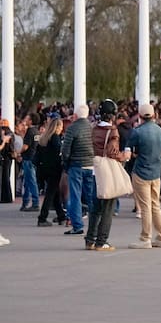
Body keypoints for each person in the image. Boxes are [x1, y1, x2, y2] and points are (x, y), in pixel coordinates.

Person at [126, 103, 161, 248]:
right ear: (154, 115)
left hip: (141, 171)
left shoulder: (137, 132)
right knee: (155, 205)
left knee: (144, 207)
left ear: (140, 116)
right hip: (156, 172)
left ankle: (145, 238)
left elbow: (128, 151)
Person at [85, 99, 124, 251]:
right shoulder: (112, 131)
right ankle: (102, 241)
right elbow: (112, 152)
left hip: (95, 168)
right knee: (108, 207)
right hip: (107, 170)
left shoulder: (93, 128)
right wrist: (124, 156)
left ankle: (90, 239)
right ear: (112, 115)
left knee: (95, 207)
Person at [61, 104, 95, 236]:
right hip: (91, 165)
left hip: (76, 165)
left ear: (75, 115)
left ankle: (77, 225)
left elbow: (65, 150)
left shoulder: (72, 128)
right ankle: (94, 224)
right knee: (91, 196)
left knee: (75, 196)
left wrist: (66, 163)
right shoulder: (92, 128)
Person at [36, 116, 67, 227]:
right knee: (50, 194)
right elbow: (60, 151)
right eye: (61, 126)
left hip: (45, 169)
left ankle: (61, 216)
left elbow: (37, 156)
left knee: (55, 194)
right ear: (57, 127)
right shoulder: (55, 138)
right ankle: (42, 217)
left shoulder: (44, 138)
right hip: (54, 169)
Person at [19, 112, 41, 212]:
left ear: (31, 121)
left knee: (31, 181)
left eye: (27, 118)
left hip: (28, 159)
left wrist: (18, 153)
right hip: (34, 158)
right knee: (28, 181)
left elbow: (25, 146)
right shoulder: (36, 131)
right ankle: (25, 201)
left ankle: (35, 203)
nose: (25, 120)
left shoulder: (30, 131)